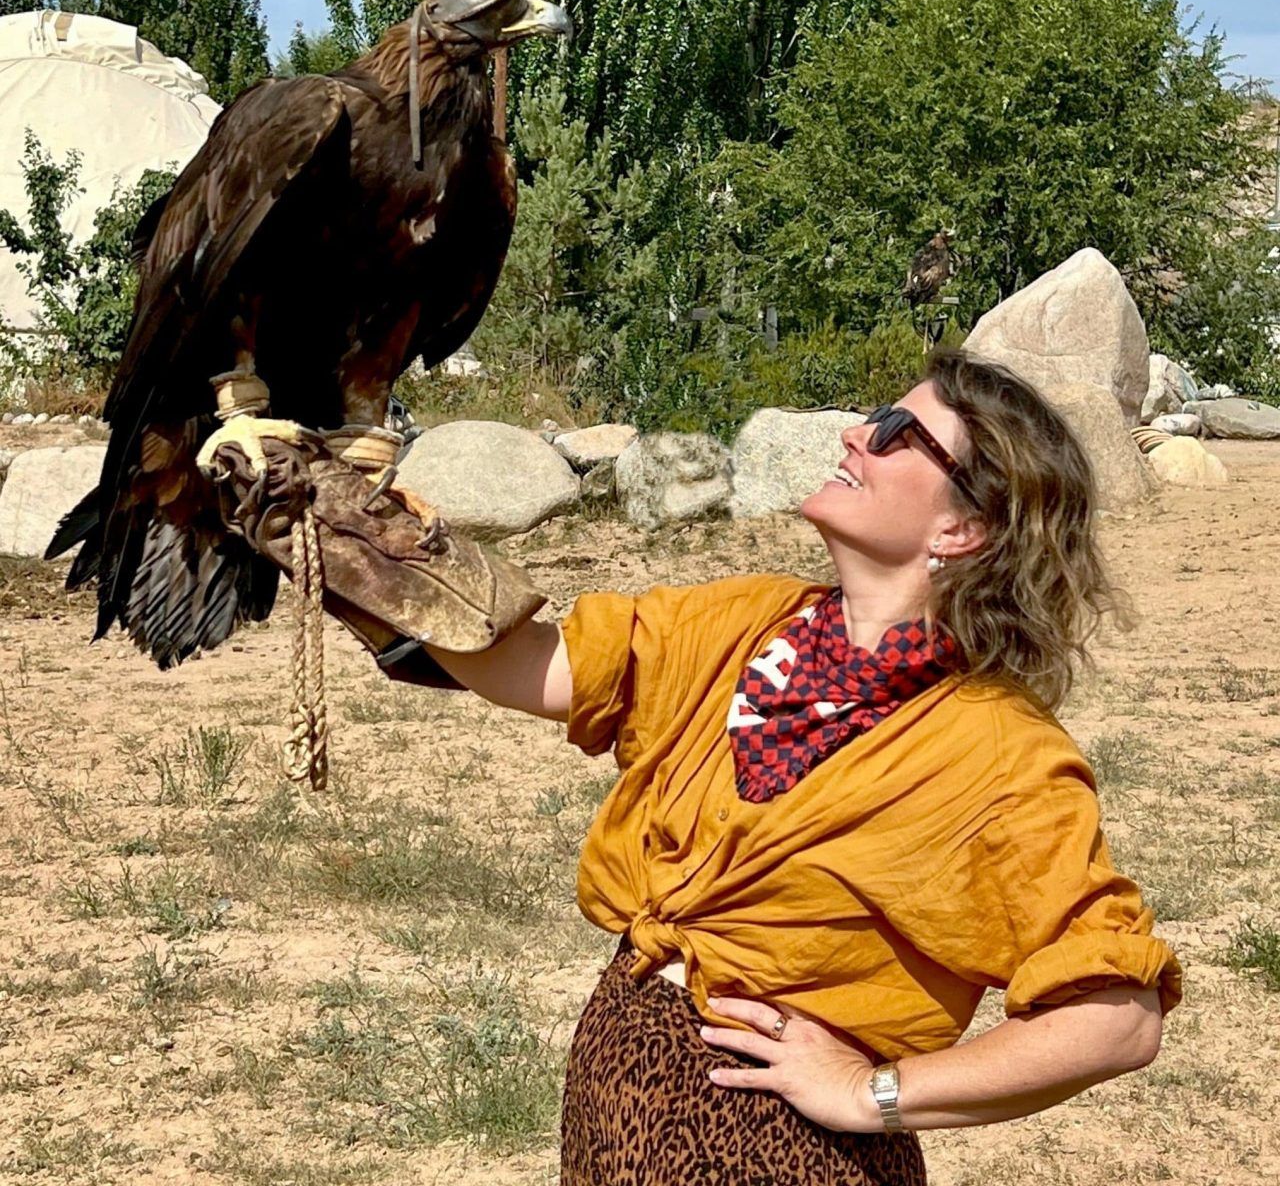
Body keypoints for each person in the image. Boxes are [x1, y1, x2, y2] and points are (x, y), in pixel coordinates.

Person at [423, 348, 1182, 1185]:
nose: (857, 434)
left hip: (783, 1155)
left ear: (960, 529)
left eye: (897, 433)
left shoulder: (1000, 755)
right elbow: (533, 664)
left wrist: (870, 1094)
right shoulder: (747, 622)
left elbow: (1117, 1017)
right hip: (616, 1108)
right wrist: (372, 539)